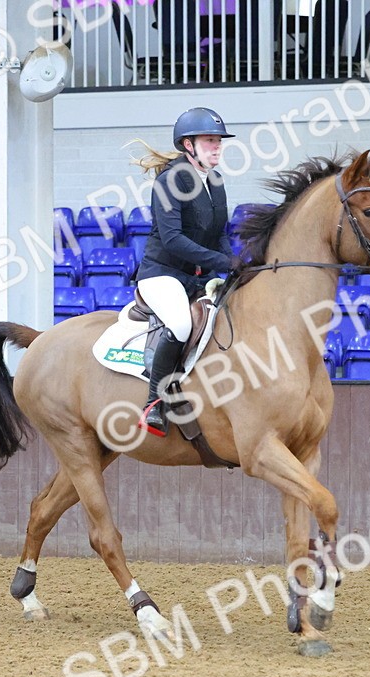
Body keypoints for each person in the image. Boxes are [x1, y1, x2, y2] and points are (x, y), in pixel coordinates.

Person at [132, 107, 236, 437]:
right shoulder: (169, 182)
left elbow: (220, 232)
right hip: (163, 274)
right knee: (179, 324)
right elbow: (173, 240)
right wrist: (222, 263)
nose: (217, 146)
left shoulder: (215, 182)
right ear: (188, 145)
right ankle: (154, 403)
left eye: (219, 141)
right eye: (209, 141)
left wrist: (235, 263)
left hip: (199, 276)